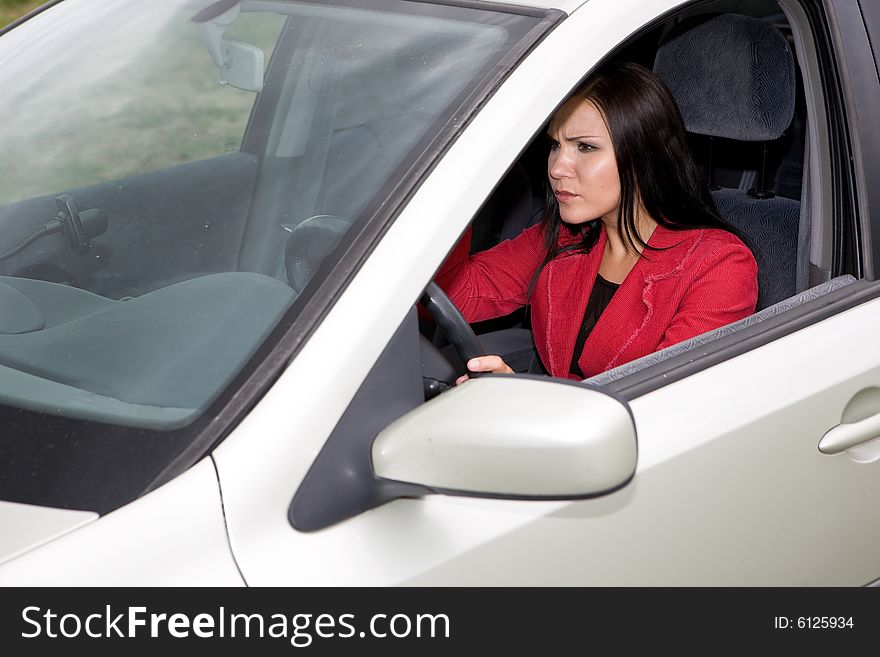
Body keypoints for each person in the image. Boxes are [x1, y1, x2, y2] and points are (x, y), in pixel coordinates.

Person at [435, 61, 758, 382]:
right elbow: (460, 296)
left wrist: (525, 401)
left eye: (585, 147)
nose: (557, 168)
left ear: (643, 155)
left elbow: (666, 403)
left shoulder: (720, 265)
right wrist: (448, 190)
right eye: (555, 145)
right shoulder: (565, 236)